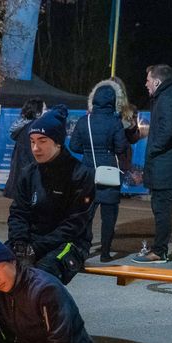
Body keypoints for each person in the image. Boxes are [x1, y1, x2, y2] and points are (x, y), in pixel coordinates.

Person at [7, 105, 95, 284]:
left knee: (40, 278)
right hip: (32, 240)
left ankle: (50, 312)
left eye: (42, 141)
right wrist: (20, 243)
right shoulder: (29, 173)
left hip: (70, 243)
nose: (35, 148)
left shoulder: (81, 175)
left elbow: (75, 224)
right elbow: (18, 212)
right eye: (32, 141)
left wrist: (36, 248)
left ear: (58, 142)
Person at [69, 81, 128, 262]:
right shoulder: (115, 122)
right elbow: (120, 148)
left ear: (93, 100)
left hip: (88, 174)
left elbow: (74, 145)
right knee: (108, 217)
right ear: (112, 101)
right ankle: (105, 253)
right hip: (109, 173)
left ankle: (83, 251)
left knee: (86, 215)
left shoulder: (83, 121)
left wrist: (88, 153)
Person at [134, 64, 172, 264]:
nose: (146, 84)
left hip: (165, 167)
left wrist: (152, 150)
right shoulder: (170, 97)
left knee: (162, 210)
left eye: (148, 80)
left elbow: (166, 132)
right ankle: (159, 250)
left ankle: (159, 252)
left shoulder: (166, 99)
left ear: (157, 81)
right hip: (166, 166)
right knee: (161, 209)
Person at [3, 97, 44, 199]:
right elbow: (33, 157)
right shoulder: (32, 129)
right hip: (26, 182)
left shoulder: (22, 126)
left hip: (19, 180)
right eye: (44, 109)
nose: (46, 111)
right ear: (38, 112)